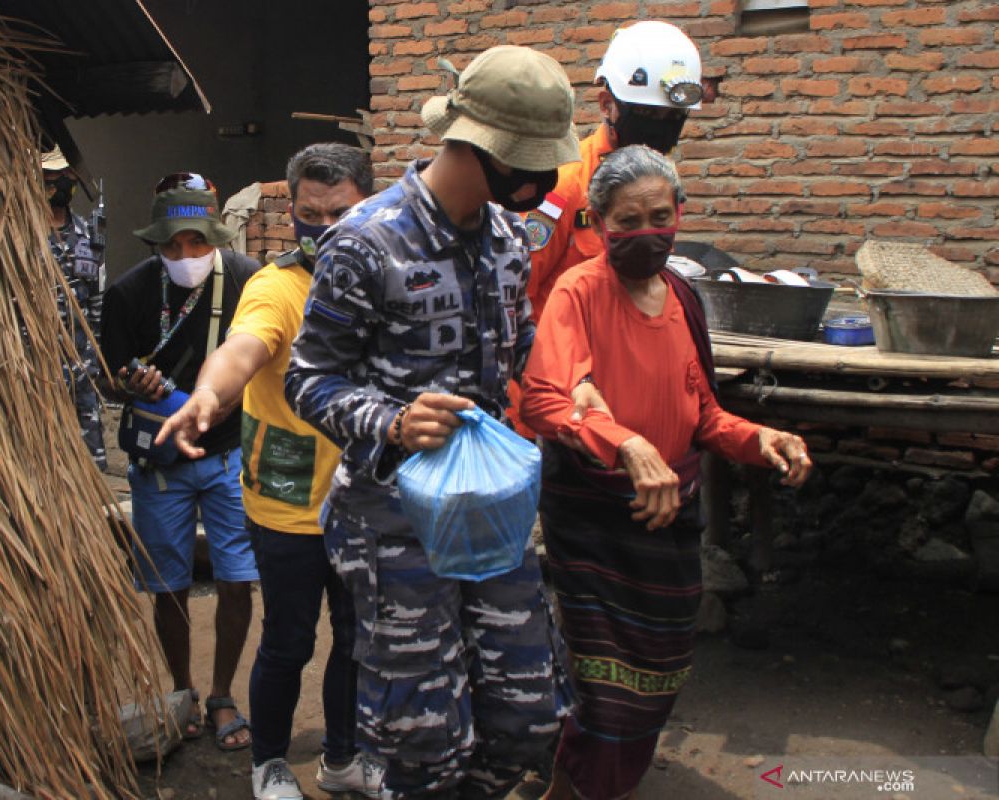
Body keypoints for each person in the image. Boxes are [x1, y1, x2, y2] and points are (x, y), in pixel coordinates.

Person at [284, 45, 580, 798]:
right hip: (391, 526)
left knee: (526, 714)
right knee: (423, 737)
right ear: (482, 145)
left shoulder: (510, 240)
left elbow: (521, 353)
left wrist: (570, 387)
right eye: (531, 162)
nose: (540, 181)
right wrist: (391, 420)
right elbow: (308, 379)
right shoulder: (365, 240)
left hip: (489, 512)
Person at [520, 145, 812, 800]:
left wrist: (759, 437)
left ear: (680, 212)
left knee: (659, 671)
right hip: (595, 517)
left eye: (659, 215)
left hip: (672, 521)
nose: (646, 233)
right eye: (627, 221)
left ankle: (602, 785)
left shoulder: (683, 295)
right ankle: (570, 791)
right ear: (598, 223)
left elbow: (703, 414)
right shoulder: (579, 292)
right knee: (601, 679)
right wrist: (626, 444)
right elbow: (548, 397)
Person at [156, 144, 380, 800]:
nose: (322, 226)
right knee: (289, 639)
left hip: (365, 497)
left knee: (359, 639)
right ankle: (271, 763)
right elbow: (242, 348)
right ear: (291, 211)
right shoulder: (278, 286)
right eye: (308, 214)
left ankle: (341, 757)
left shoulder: (386, 278)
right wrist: (206, 394)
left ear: (368, 206)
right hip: (290, 504)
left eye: (339, 213)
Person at [100, 173, 260, 750]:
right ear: (155, 244)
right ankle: (182, 691)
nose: (185, 255)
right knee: (167, 586)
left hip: (229, 456)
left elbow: (265, 364)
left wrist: (223, 408)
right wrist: (132, 384)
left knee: (238, 579)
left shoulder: (247, 282)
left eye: (197, 243)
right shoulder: (127, 294)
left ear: (216, 236)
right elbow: (110, 376)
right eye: (172, 246)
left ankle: (221, 695)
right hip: (158, 464)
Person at [508, 21, 705, 436]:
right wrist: (565, 381)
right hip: (561, 403)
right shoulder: (564, 185)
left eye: (672, 117)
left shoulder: (660, 177)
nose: (660, 126)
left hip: (627, 396)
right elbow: (515, 301)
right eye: (648, 114)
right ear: (606, 105)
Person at [42, 146, 106, 470]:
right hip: (40, 358)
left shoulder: (87, 233)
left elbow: (96, 297)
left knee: (90, 461)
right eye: (53, 177)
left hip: (82, 359)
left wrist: (95, 351)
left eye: (66, 175)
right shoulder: (27, 234)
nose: (62, 182)